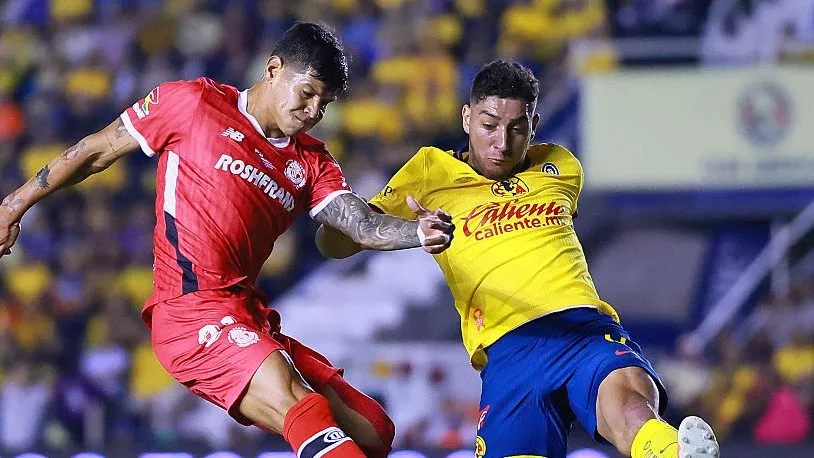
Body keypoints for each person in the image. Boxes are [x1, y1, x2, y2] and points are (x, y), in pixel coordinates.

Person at [0, 23, 456, 458]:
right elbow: (94, 152)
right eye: (308, 93)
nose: (315, 111)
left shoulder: (312, 162)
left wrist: (417, 231)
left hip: (247, 315)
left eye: (326, 103)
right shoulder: (191, 103)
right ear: (273, 69)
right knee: (301, 405)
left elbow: (358, 224)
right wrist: (11, 206)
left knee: (373, 430)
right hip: (187, 312)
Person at [315, 60, 720, 458]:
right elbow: (336, 244)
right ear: (466, 117)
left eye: (516, 128)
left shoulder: (560, 167)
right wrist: (404, 231)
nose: (502, 143)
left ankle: (673, 452)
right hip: (506, 352)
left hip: (580, 327)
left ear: (535, 125)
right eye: (489, 126)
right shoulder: (429, 173)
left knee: (631, 410)